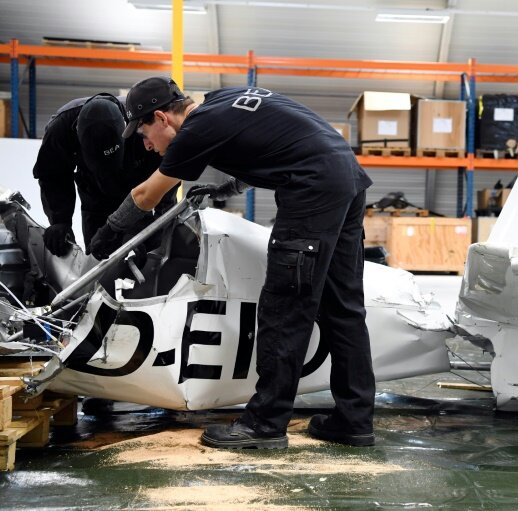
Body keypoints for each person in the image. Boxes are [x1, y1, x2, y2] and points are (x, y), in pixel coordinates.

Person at [89, 77, 376, 449]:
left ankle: (265, 424)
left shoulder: (195, 130)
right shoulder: (222, 101)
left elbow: (147, 193)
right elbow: (265, 146)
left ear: (162, 118)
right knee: (343, 307)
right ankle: (354, 421)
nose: (146, 144)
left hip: (313, 191)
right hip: (347, 179)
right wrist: (223, 190)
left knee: (285, 308)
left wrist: (108, 232)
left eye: (143, 133)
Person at [32, 93, 175, 256]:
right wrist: (60, 220)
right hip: (95, 199)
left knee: (145, 257)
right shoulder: (61, 129)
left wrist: (158, 224)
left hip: (139, 197)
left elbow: (167, 173)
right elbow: (53, 175)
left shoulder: (144, 122)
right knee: (98, 256)